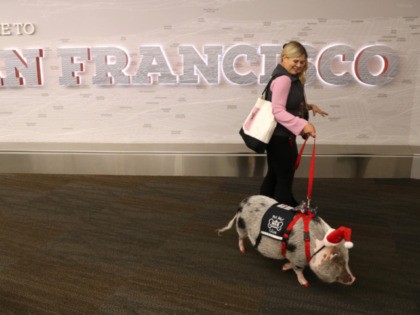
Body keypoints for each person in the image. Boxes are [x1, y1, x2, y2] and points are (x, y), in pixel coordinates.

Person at [260, 41, 328, 207]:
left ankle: (260, 207)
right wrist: (303, 124)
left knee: (274, 175)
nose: (299, 65)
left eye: (302, 62)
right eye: (295, 61)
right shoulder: (284, 79)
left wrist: (308, 106)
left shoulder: (285, 76)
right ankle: (289, 214)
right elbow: (278, 111)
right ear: (284, 58)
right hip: (281, 138)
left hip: (278, 137)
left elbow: (285, 103)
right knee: (283, 179)